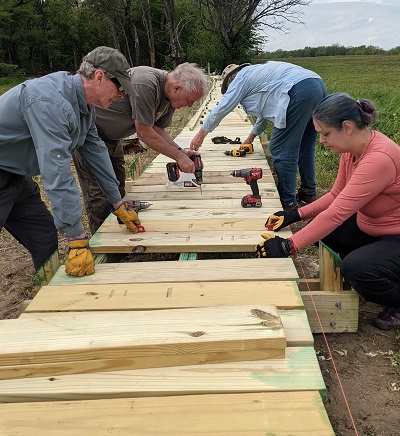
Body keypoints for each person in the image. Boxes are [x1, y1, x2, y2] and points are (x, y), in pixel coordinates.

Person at [258, 92, 400, 331]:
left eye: (325, 133)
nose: (321, 140)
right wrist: (296, 214)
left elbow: (336, 214)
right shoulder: (351, 151)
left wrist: (288, 246)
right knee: (326, 235)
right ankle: (375, 272)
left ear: (346, 127)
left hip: (395, 236)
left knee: (356, 267)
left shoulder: (379, 158)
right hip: (374, 227)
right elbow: (336, 195)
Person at [0, 46, 144, 278]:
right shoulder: (50, 102)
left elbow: (96, 150)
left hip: (16, 175)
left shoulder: (84, 107)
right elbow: (56, 171)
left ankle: (51, 296)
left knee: (44, 236)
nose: (121, 96)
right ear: (99, 77)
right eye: (119, 88)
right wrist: (77, 238)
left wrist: (118, 202)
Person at [73, 62, 209, 234]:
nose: (190, 106)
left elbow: (158, 130)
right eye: (190, 101)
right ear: (177, 88)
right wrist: (178, 157)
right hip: (91, 138)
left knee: (118, 188)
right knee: (99, 196)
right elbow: (144, 132)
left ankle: (121, 236)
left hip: (113, 139)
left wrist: (181, 152)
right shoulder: (145, 82)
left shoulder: (169, 99)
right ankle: (102, 242)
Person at [190, 61, 327, 209]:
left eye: (228, 88)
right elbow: (264, 114)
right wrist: (250, 138)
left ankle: (287, 202)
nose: (230, 90)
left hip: (299, 90)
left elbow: (222, 108)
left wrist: (200, 135)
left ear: (231, 79)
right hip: (317, 85)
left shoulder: (241, 78)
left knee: (280, 148)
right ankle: (308, 192)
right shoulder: (257, 76)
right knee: (305, 146)